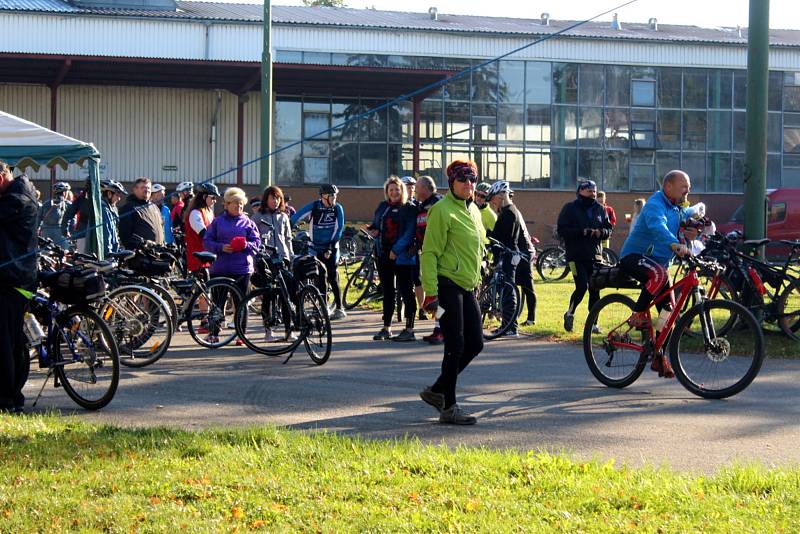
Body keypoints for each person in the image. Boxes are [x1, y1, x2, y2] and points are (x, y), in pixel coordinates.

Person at [419, 160, 485, 425]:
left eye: (472, 180)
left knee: (476, 343)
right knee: (455, 344)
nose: (469, 185)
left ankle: (437, 390)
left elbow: (478, 244)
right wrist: (431, 295)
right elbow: (430, 253)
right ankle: (449, 406)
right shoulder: (441, 210)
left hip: (467, 286)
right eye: (463, 180)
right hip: (445, 286)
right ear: (452, 183)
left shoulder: (474, 210)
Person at [619, 170, 693, 378]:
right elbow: (657, 226)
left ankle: (659, 355)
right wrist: (674, 244)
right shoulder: (655, 204)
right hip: (634, 257)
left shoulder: (676, 207)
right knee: (660, 275)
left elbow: (689, 216)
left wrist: (700, 223)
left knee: (668, 313)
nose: (688, 190)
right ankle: (638, 314)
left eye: (688, 186)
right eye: (684, 186)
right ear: (668, 186)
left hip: (656, 263)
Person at [0, 162, 39, 413]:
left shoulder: (15, 199)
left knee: (7, 342)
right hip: (18, 277)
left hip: (12, 279)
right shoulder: (19, 194)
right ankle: (13, 395)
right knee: (15, 340)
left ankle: (7, 398)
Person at [203, 187, 261, 344]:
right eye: (235, 203)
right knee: (217, 303)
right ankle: (213, 333)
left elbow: (257, 243)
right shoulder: (217, 222)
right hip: (220, 268)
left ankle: (241, 334)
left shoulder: (248, 223)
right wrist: (221, 247)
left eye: (241, 204)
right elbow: (207, 241)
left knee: (241, 303)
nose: (239, 207)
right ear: (226, 205)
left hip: (242, 269)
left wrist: (246, 245)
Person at [557, 178, 613, 333]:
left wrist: (600, 232)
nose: (593, 194)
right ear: (580, 191)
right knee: (581, 287)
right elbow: (561, 231)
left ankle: (594, 324)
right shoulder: (570, 208)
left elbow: (609, 229)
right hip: (576, 256)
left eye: (594, 191)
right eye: (589, 191)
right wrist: (581, 232)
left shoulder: (600, 209)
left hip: (595, 256)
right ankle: (570, 313)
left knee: (595, 289)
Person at [368, 175, 418, 342]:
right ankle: (386, 327)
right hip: (383, 254)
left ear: (402, 190)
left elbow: (409, 232)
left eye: (397, 189)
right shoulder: (383, 207)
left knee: (406, 291)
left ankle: (409, 328)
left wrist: (396, 250)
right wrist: (373, 230)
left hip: (403, 256)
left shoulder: (409, 208)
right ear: (386, 192)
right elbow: (376, 224)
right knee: (387, 291)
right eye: (391, 190)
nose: (394, 192)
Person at [486, 180, 537, 333]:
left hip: (509, 255)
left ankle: (510, 326)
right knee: (507, 290)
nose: (492, 202)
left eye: (493, 198)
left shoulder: (509, 213)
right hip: (508, 255)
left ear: (501, 195)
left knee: (509, 291)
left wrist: (490, 234)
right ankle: (507, 325)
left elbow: (505, 237)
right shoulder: (507, 211)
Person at [291, 184, 346, 320]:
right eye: (331, 195)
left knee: (332, 275)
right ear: (323, 196)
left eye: (335, 195)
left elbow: (338, 229)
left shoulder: (337, 208)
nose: (334, 198)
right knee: (318, 276)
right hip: (315, 247)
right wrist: (288, 228)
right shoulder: (314, 206)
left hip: (331, 246)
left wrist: (330, 246)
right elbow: (296, 217)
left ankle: (339, 308)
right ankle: (323, 306)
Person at [251, 185, 294, 342]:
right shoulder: (257, 217)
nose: (275, 201)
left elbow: (288, 238)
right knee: (268, 295)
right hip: (265, 260)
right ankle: (268, 331)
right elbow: (253, 240)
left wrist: (290, 257)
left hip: (282, 259)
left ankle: (289, 331)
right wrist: (256, 261)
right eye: (272, 198)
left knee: (285, 295)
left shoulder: (283, 217)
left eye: (278, 198)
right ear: (266, 199)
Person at [414, 175, 444, 344]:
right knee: (435, 295)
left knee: (439, 296)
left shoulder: (438, 203)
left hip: (439, 256)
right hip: (427, 255)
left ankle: (442, 329)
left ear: (426, 188)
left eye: (417, 187)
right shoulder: (420, 206)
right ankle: (438, 328)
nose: (415, 190)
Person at [118, 177, 165, 250]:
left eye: (148, 188)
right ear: (135, 189)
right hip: (140, 257)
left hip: (158, 254)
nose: (146, 190)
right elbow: (125, 235)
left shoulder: (155, 207)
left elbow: (161, 228)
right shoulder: (129, 208)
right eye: (143, 187)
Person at [184, 183, 220, 276]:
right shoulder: (195, 213)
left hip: (208, 256)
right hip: (199, 259)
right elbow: (204, 234)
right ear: (204, 197)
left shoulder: (209, 211)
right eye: (213, 198)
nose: (215, 201)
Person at [39, 181, 73, 246]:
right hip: (61, 231)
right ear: (64, 193)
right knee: (64, 253)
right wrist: (69, 231)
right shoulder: (68, 204)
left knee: (46, 253)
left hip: (46, 231)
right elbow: (72, 221)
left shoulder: (46, 203)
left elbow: (39, 217)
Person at [99, 179, 126, 257]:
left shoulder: (110, 209)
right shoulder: (104, 210)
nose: (119, 199)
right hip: (107, 256)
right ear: (109, 193)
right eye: (117, 195)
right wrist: (109, 254)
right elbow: (106, 234)